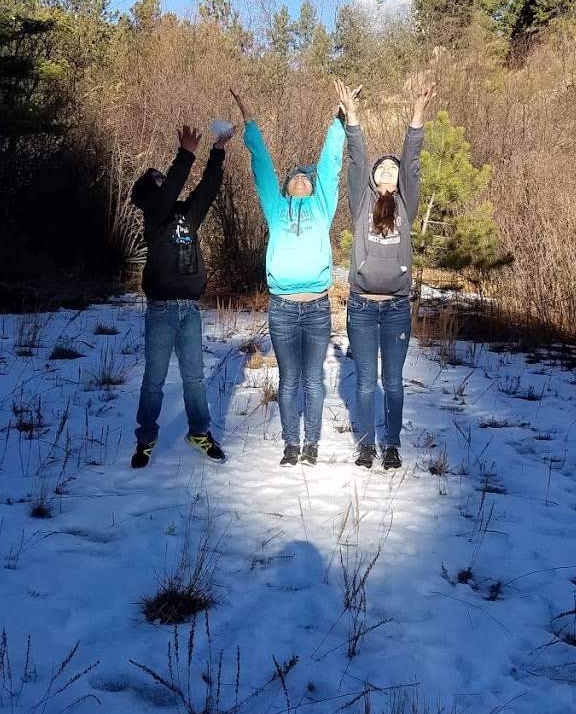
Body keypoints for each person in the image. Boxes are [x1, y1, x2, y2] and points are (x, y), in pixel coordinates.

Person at [230, 86, 344, 466]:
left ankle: (311, 444)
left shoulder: (322, 206)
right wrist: (250, 122)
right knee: (289, 379)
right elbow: (262, 164)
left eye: (304, 178)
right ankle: (291, 445)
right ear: (285, 187)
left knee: (313, 380)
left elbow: (329, 165)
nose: (300, 179)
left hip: (315, 308)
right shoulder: (276, 209)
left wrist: (339, 120)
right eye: (294, 177)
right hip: (281, 309)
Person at [340, 73, 435, 470]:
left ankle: (391, 444)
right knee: (365, 382)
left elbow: (410, 160)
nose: (386, 172)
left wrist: (416, 112)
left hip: (396, 307)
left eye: (391, 171)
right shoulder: (360, 205)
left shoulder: (405, 207)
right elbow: (358, 158)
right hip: (362, 307)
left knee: (392, 383)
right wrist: (353, 118)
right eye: (382, 169)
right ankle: (365, 445)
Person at [128, 121, 234, 468]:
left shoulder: (186, 216)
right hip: (160, 310)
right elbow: (170, 189)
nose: (165, 183)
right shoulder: (154, 217)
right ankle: (146, 438)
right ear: (150, 195)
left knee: (194, 378)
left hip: (189, 309)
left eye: (164, 178)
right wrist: (185, 155)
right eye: (158, 181)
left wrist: (217, 152)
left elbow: (207, 189)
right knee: (154, 381)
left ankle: (199, 432)